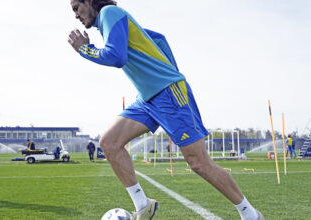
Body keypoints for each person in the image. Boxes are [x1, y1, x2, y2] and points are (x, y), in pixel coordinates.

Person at [68, 1, 264, 219]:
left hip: (168, 94)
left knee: (198, 162)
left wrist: (84, 49)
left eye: (77, 7)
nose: (76, 14)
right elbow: (159, 38)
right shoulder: (110, 22)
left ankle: (250, 215)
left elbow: (116, 57)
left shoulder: (108, 12)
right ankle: (143, 206)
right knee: (109, 143)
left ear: (90, 1)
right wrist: (164, 71)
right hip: (147, 99)